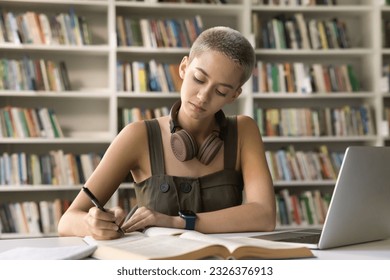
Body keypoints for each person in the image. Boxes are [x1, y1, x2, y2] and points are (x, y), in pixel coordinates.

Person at [58, 26, 276, 240]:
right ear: (183, 67)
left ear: (234, 96)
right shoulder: (138, 135)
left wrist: (179, 222)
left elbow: (265, 216)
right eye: (199, 79)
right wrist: (93, 224)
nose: (202, 97)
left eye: (220, 91)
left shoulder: (244, 131)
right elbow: (67, 221)